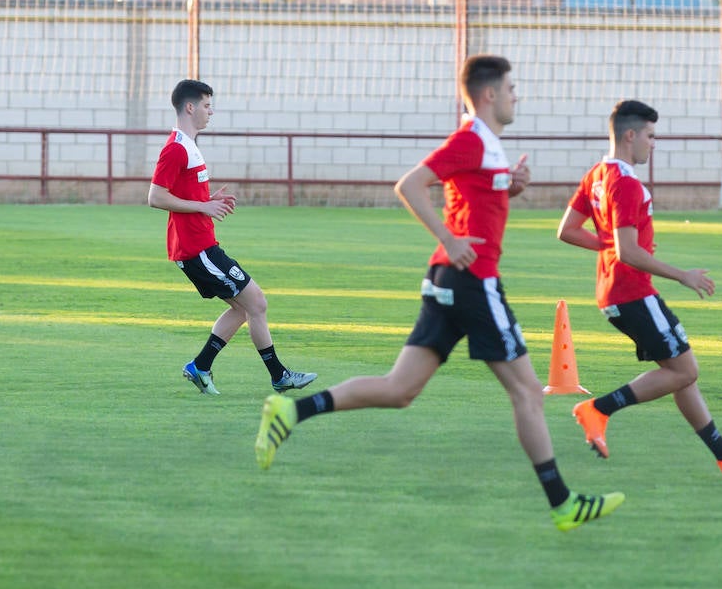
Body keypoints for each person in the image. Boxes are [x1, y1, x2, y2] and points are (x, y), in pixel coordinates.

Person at [254, 55, 623, 533]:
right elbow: (410, 185)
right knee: (528, 391)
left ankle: (291, 409)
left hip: (448, 280)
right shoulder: (471, 139)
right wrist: (449, 238)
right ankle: (562, 503)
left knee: (399, 389)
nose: (517, 96)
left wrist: (508, 188)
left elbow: (471, 197)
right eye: (512, 88)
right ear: (489, 95)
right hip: (472, 280)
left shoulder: (486, 144)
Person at [556, 99, 722, 479]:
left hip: (612, 292)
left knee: (679, 371)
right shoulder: (625, 184)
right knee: (685, 371)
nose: (654, 144)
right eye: (651, 136)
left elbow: (568, 230)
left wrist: (608, 246)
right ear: (630, 135)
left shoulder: (597, 175)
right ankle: (598, 409)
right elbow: (630, 252)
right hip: (633, 292)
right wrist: (681, 274)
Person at [149, 79, 315, 396]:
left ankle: (200, 367)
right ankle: (279, 376)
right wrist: (203, 205)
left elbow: (183, 194)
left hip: (203, 246)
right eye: (207, 106)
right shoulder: (175, 148)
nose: (211, 112)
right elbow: (155, 197)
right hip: (196, 250)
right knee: (256, 303)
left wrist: (208, 199)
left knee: (244, 308)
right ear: (190, 107)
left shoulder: (189, 145)